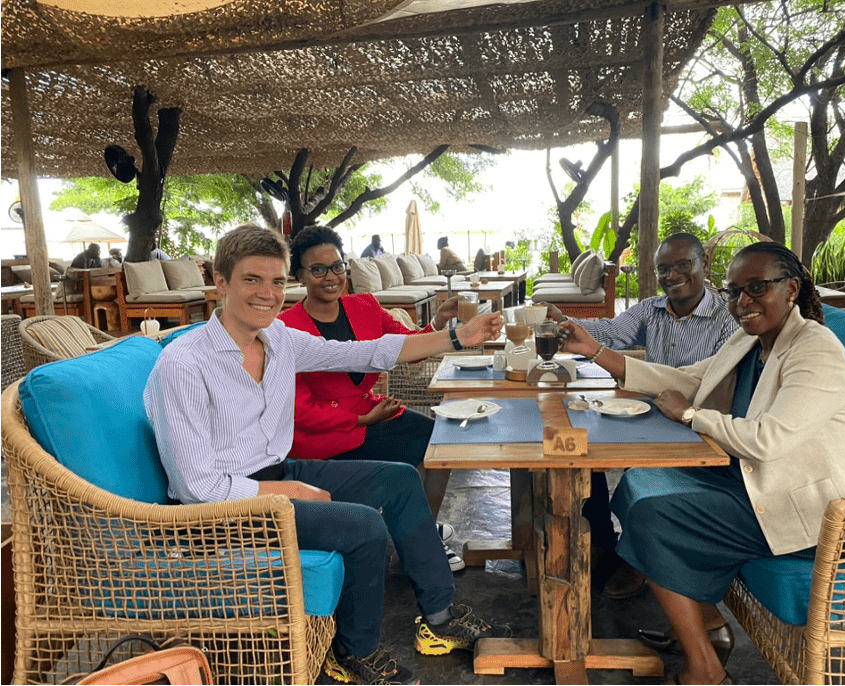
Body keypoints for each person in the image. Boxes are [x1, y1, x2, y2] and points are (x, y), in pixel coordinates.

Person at [145, 224, 510, 686]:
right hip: (221, 510)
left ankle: (440, 619)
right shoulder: (183, 364)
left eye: (276, 282)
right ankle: (353, 652)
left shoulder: (279, 340)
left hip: (276, 471)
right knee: (362, 525)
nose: (267, 293)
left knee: (400, 480)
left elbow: (372, 350)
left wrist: (460, 336)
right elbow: (198, 487)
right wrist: (288, 490)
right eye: (251, 280)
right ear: (220, 282)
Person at [559, 242, 845, 685]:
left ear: (791, 289)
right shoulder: (751, 337)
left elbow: (768, 439)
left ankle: (705, 667)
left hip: (820, 513)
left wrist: (693, 415)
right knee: (639, 483)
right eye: (734, 292)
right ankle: (707, 623)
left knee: (653, 514)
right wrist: (596, 351)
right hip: (757, 485)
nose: (742, 302)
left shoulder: (816, 350)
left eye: (757, 288)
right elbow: (692, 379)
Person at [539, 233, 738, 597]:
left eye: (682, 265)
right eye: (664, 268)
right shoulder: (652, 308)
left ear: (704, 266)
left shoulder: (727, 322)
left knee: (619, 462)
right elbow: (610, 332)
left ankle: (638, 558)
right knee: (585, 452)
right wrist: (565, 320)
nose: (672, 275)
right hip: (647, 412)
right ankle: (600, 541)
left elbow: (713, 385)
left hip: (696, 422)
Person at [278, 225, 464, 571]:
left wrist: (439, 320)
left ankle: (421, 533)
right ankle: (416, 539)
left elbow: (408, 347)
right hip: (323, 434)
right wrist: (362, 420)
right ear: (299, 275)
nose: (331, 277)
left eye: (337, 266)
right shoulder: (286, 327)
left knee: (441, 442)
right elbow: (297, 409)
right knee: (414, 453)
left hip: (370, 412)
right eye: (318, 270)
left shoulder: (363, 305)